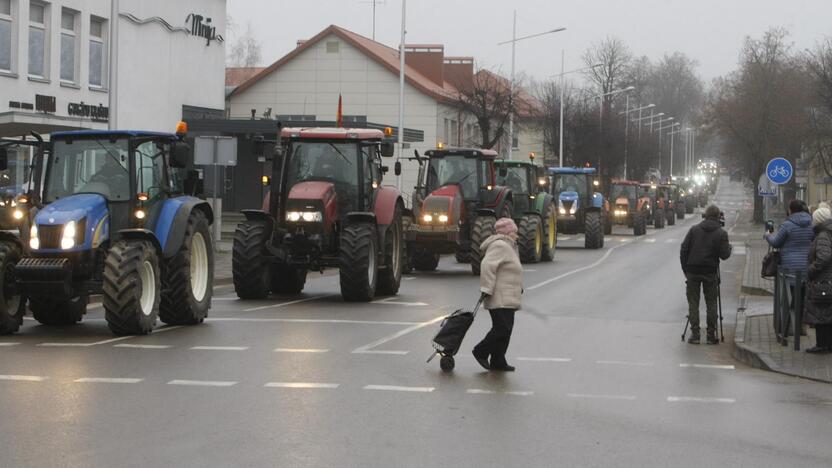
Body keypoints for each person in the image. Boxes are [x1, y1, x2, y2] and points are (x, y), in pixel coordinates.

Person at [473, 217, 523, 371]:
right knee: (502, 328)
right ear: (507, 232)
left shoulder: (509, 246)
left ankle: (498, 360)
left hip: (508, 296)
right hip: (499, 296)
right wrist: (486, 288)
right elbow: (487, 266)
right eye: (514, 232)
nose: (517, 235)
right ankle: (480, 351)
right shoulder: (500, 245)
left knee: (506, 330)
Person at [680, 205, 732, 344]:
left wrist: (685, 269)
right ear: (718, 217)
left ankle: (695, 334)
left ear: (705, 215)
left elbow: (684, 250)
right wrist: (729, 247)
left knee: (693, 302)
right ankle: (710, 334)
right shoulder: (721, 233)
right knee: (711, 302)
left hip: (693, 270)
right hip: (710, 270)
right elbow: (724, 255)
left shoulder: (694, 230)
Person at [805, 206, 832, 354]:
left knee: (821, 314)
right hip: (829, 280)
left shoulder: (822, 235)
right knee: (828, 314)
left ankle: (822, 345)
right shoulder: (828, 232)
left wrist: (811, 270)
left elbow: (824, 257)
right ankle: (828, 345)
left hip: (823, 281)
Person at [766, 199, 813, 277]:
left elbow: (775, 243)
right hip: (808, 265)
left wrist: (768, 235)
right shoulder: (812, 223)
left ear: (791, 210)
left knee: (789, 287)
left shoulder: (787, 225)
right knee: (804, 287)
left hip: (790, 266)